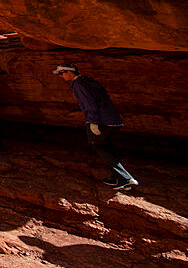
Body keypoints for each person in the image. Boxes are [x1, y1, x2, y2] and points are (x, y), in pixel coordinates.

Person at [53, 63, 138, 191]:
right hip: (113, 120)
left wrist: (93, 122)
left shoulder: (78, 84)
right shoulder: (88, 81)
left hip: (101, 121)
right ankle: (118, 178)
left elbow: (89, 104)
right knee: (106, 147)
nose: (60, 76)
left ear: (70, 72)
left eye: (61, 73)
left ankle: (125, 178)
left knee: (97, 144)